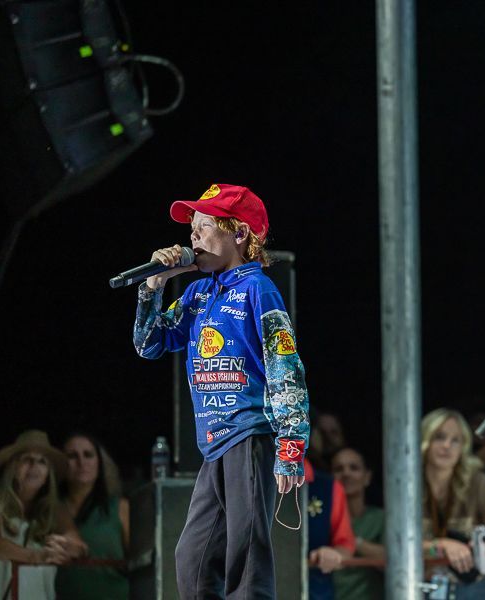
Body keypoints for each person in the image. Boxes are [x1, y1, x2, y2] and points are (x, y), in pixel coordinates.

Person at [132, 183, 309, 599]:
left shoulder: (258, 290)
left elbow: (286, 368)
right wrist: (153, 287)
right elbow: (148, 344)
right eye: (190, 228)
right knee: (192, 558)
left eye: (202, 226)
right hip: (213, 445)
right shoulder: (196, 294)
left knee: (245, 555)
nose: (191, 237)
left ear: (239, 234)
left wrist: (291, 449)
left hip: (250, 434)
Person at [420, 409, 485, 599]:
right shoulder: (408, 485)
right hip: (421, 583)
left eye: (456, 440)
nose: (447, 446)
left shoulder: (478, 482)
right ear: (425, 440)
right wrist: (443, 545)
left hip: (469, 585)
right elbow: (394, 545)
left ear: (464, 447)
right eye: (439, 437)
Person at [0, 430, 87, 600]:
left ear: (47, 475)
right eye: (27, 460)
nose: (34, 466)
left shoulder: (55, 509)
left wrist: (68, 548)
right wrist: (36, 556)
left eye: (42, 462)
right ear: (13, 467)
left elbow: (76, 542)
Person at [55, 433, 130, 600]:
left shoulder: (120, 508)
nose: (81, 462)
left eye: (88, 455)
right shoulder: (50, 508)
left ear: (100, 463)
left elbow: (141, 567)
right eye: (72, 456)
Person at [331, 447, 385, 600]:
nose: (346, 474)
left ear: (367, 477)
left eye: (354, 468)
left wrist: (350, 543)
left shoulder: (381, 519)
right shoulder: (322, 520)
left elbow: (396, 560)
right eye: (338, 469)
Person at [305, 458, 356, 600]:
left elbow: (345, 546)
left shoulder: (329, 487)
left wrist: (333, 553)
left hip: (313, 592)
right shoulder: (252, 479)